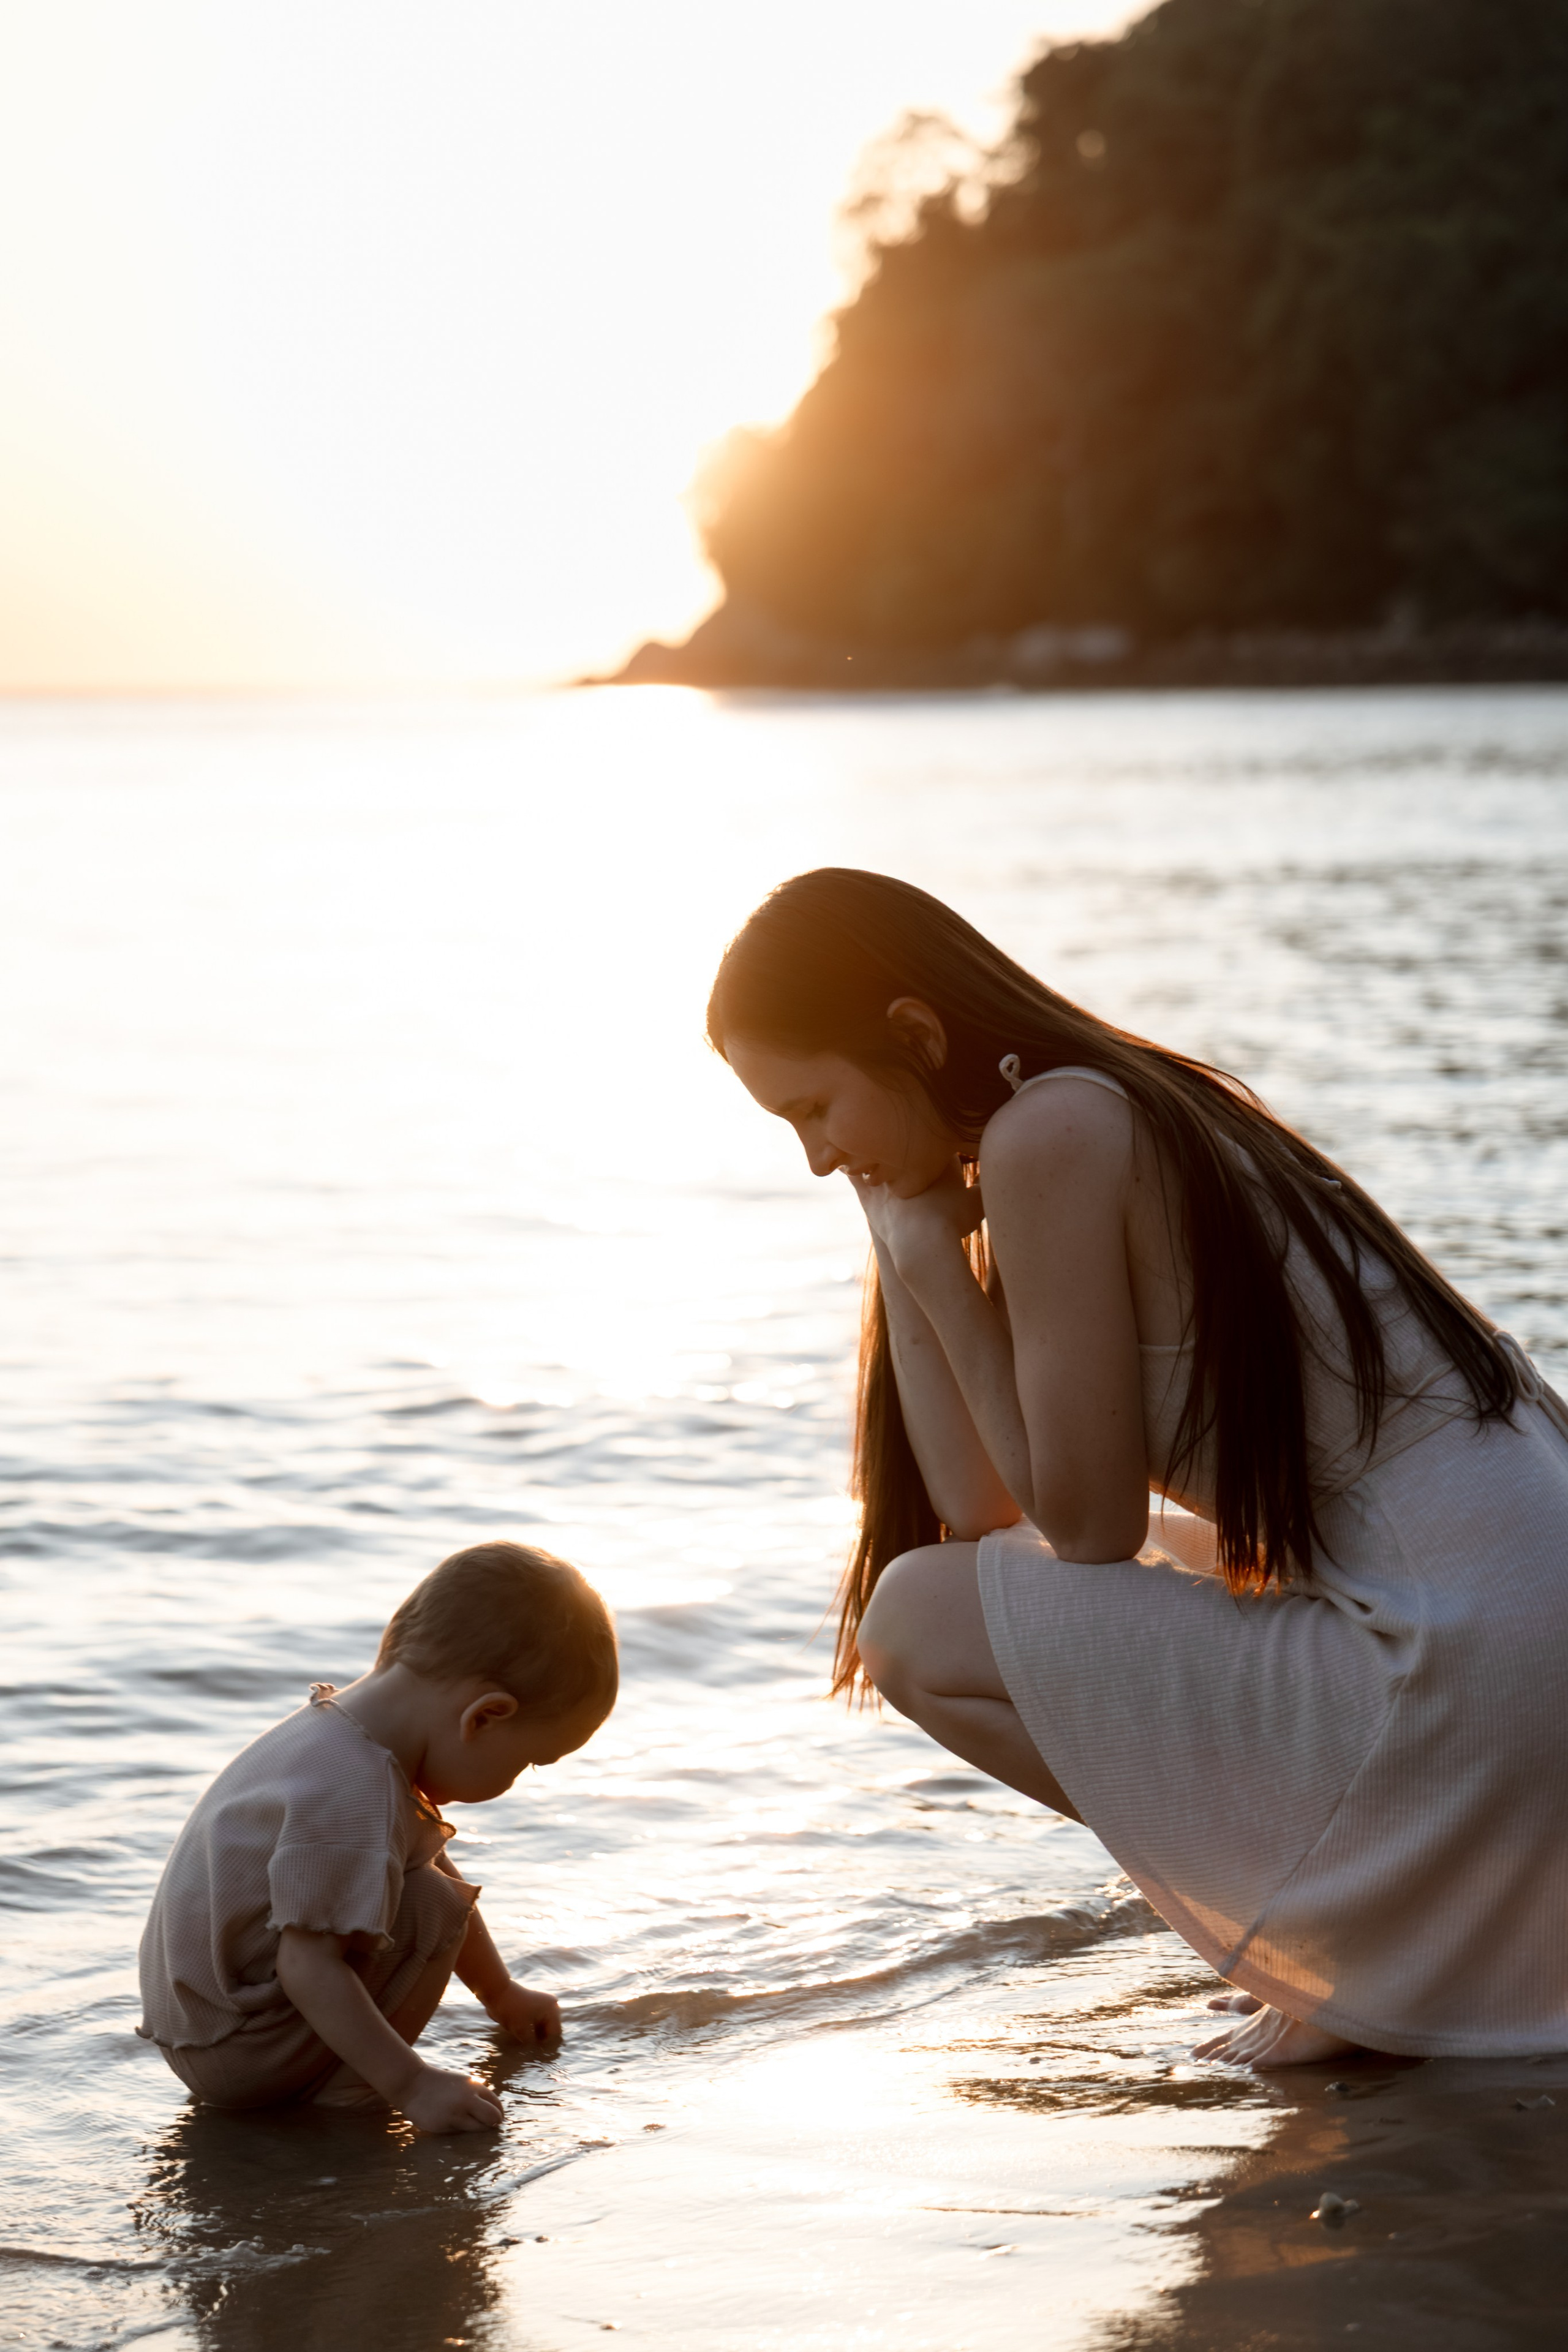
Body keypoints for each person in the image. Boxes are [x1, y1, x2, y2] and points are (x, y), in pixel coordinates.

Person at [708, 867, 1568, 2068]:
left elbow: (1091, 1529)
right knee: (943, 1599)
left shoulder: (1048, 1132)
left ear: (911, 1033)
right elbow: (981, 1508)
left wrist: (939, 1276)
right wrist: (903, 1242)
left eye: (810, 1109)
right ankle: (1330, 1932)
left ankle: (1326, 1939)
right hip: (1503, 1645)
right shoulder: (1096, 1106)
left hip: (1473, 1670)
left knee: (906, 1624)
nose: (810, 1156)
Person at [138, 1540, 616, 2132]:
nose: (516, 1781)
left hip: (207, 2032)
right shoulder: (351, 1788)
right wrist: (412, 2084)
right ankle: (350, 2099)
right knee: (430, 1907)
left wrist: (500, 1993)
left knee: (427, 1886)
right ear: (485, 1716)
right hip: (242, 2051)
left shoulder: (339, 1736)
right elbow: (307, 1964)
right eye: (530, 1763)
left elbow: (432, 1865)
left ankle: (345, 2079)